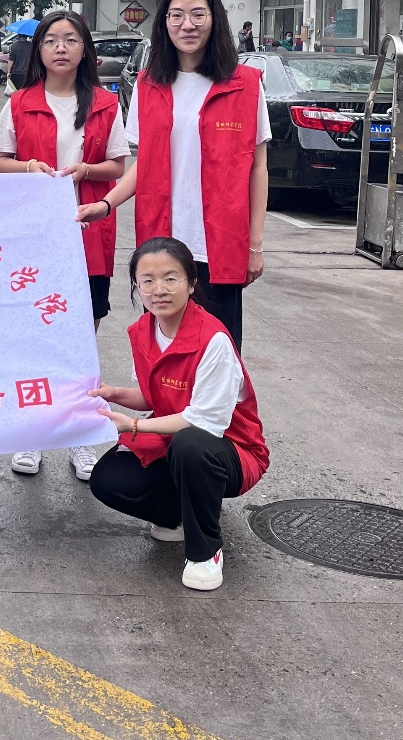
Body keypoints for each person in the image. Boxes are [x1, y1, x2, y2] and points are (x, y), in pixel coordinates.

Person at [77, 0, 268, 350]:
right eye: (177, 15)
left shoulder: (245, 84)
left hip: (219, 242)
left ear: (214, 19)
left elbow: (258, 167)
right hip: (162, 242)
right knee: (164, 353)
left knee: (219, 353)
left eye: (198, 14)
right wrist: (106, 204)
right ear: (164, 22)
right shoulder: (149, 84)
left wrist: (255, 245)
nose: (187, 25)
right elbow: (145, 163)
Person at [85, 236, 268, 592]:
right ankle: (177, 517)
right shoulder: (143, 330)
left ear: (192, 283)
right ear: (137, 287)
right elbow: (153, 394)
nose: (159, 290)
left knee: (191, 446)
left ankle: (206, 552)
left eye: (171, 278)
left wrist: (133, 426)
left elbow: (204, 422)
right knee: (108, 479)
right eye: (147, 280)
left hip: (230, 449)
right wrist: (114, 393)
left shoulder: (213, 340)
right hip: (175, 440)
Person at [0, 9, 129, 480]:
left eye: (71, 39)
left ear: (84, 49)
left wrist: (86, 170)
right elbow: (0, 162)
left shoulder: (105, 104)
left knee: (82, 337)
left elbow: (119, 166)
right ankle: (33, 434)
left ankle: (79, 435)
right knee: (35, 332)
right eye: (51, 40)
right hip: (35, 234)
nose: (61, 48)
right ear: (40, 50)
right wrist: (28, 167)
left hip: (87, 231)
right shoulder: (20, 102)